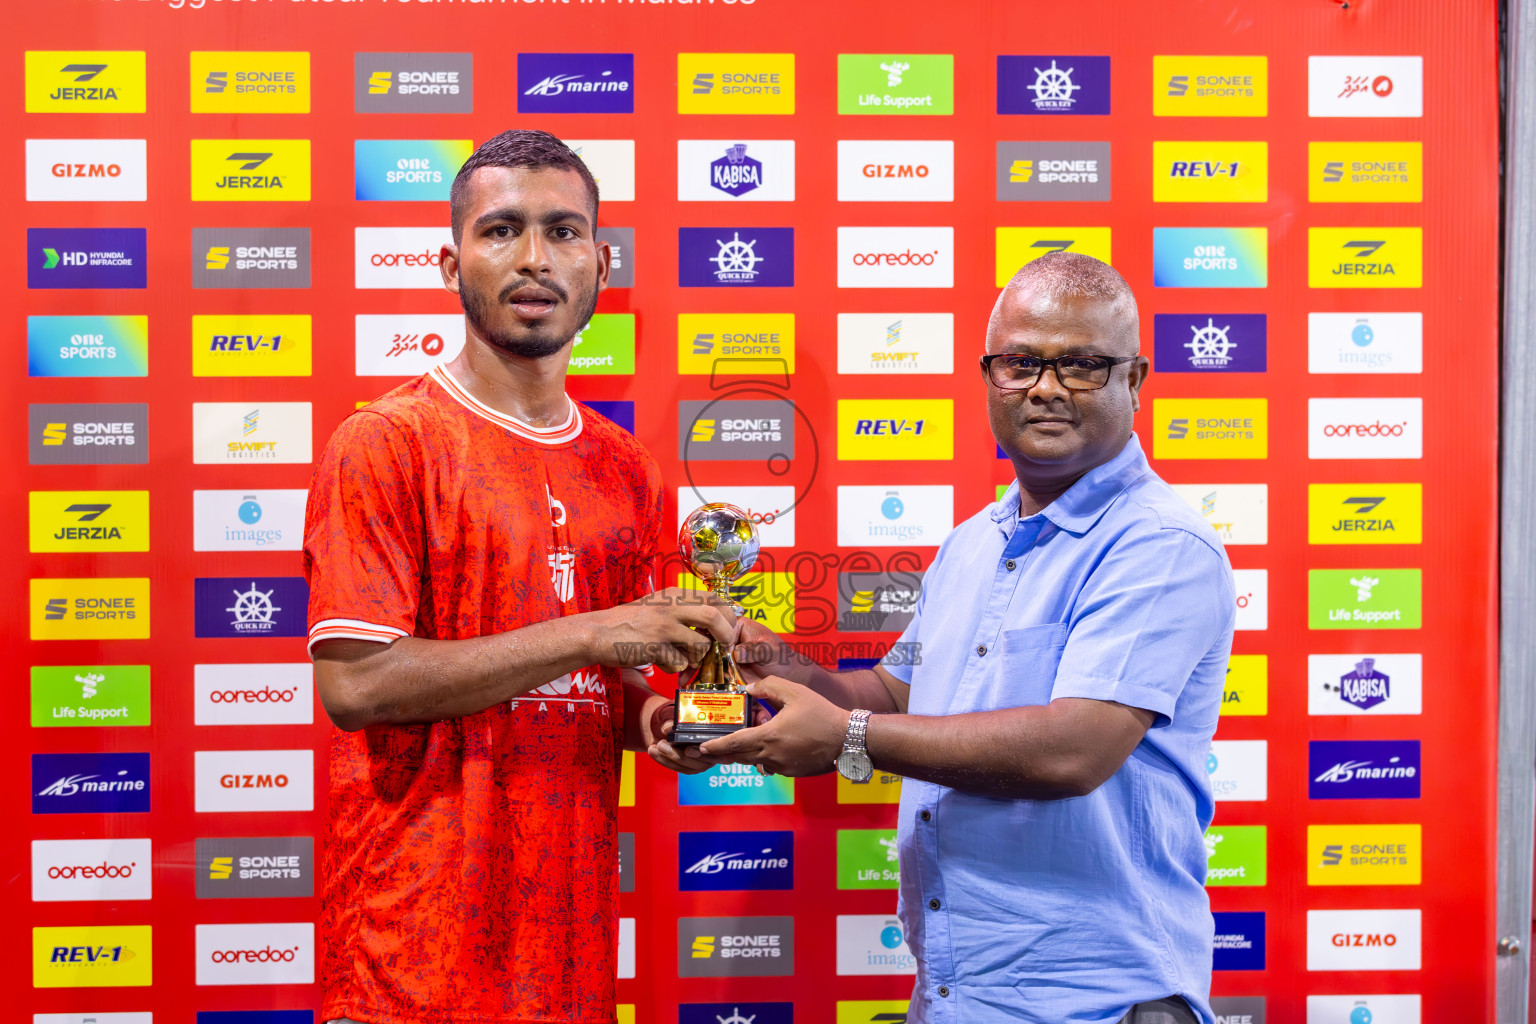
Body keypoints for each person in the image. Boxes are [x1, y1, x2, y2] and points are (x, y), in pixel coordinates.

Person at [697, 252, 1235, 1024]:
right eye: (1020, 362)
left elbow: (1073, 749)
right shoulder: (971, 545)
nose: (1045, 388)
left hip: (1099, 1003)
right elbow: (886, 695)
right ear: (990, 376)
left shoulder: (1159, 546)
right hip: (955, 995)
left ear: (1135, 381)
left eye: (1081, 364)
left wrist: (847, 735)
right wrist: (747, 647)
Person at [303, 129, 728, 1024]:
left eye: (564, 231)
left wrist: (658, 718)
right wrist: (590, 632)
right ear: (450, 263)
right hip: (408, 963)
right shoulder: (387, 444)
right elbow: (357, 685)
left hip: (567, 963)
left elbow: (596, 685)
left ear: (602, 263)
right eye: (502, 231)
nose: (536, 258)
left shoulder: (627, 470)